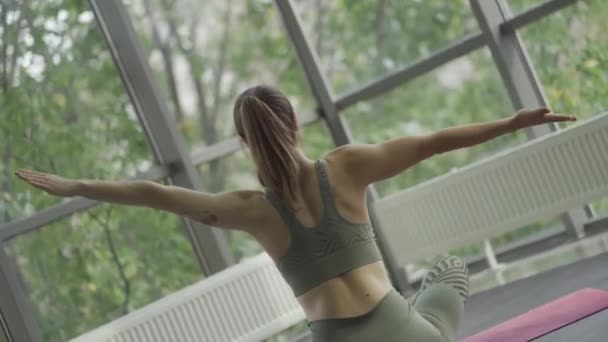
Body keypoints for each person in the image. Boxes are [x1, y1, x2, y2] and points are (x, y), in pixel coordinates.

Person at [15, 85, 576, 342]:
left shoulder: (248, 211)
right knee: (450, 268)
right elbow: (433, 141)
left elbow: (153, 193)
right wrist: (511, 122)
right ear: (294, 125)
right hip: (403, 335)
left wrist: (76, 185)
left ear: (243, 143)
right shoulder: (348, 167)